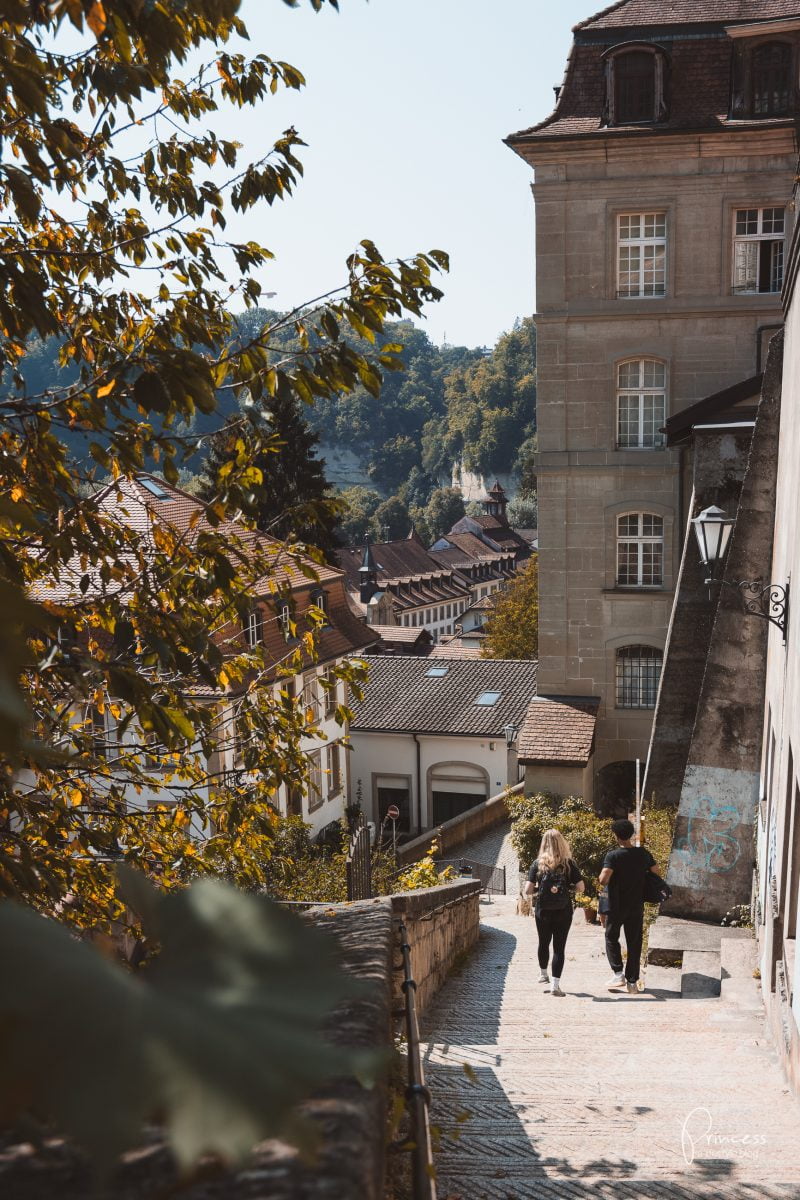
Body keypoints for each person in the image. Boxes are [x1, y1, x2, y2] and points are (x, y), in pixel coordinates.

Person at [598, 817, 659, 993]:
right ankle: (632, 982)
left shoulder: (613, 856)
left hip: (616, 906)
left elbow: (603, 879)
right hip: (636, 905)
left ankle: (618, 974)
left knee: (611, 937)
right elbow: (656, 872)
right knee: (634, 942)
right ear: (631, 834)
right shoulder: (644, 854)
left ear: (616, 836)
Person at [523, 829, 584, 996]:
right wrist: (564, 889)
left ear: (544, 843)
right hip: (563, 910)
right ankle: (555, 986)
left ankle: (543, 975)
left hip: (543, 910)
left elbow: (528, 890)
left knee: (543, 942)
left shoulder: (537, 864)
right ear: (562, 843)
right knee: (559, 947)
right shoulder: (569, 863)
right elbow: (581, 888)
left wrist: (541, 890)